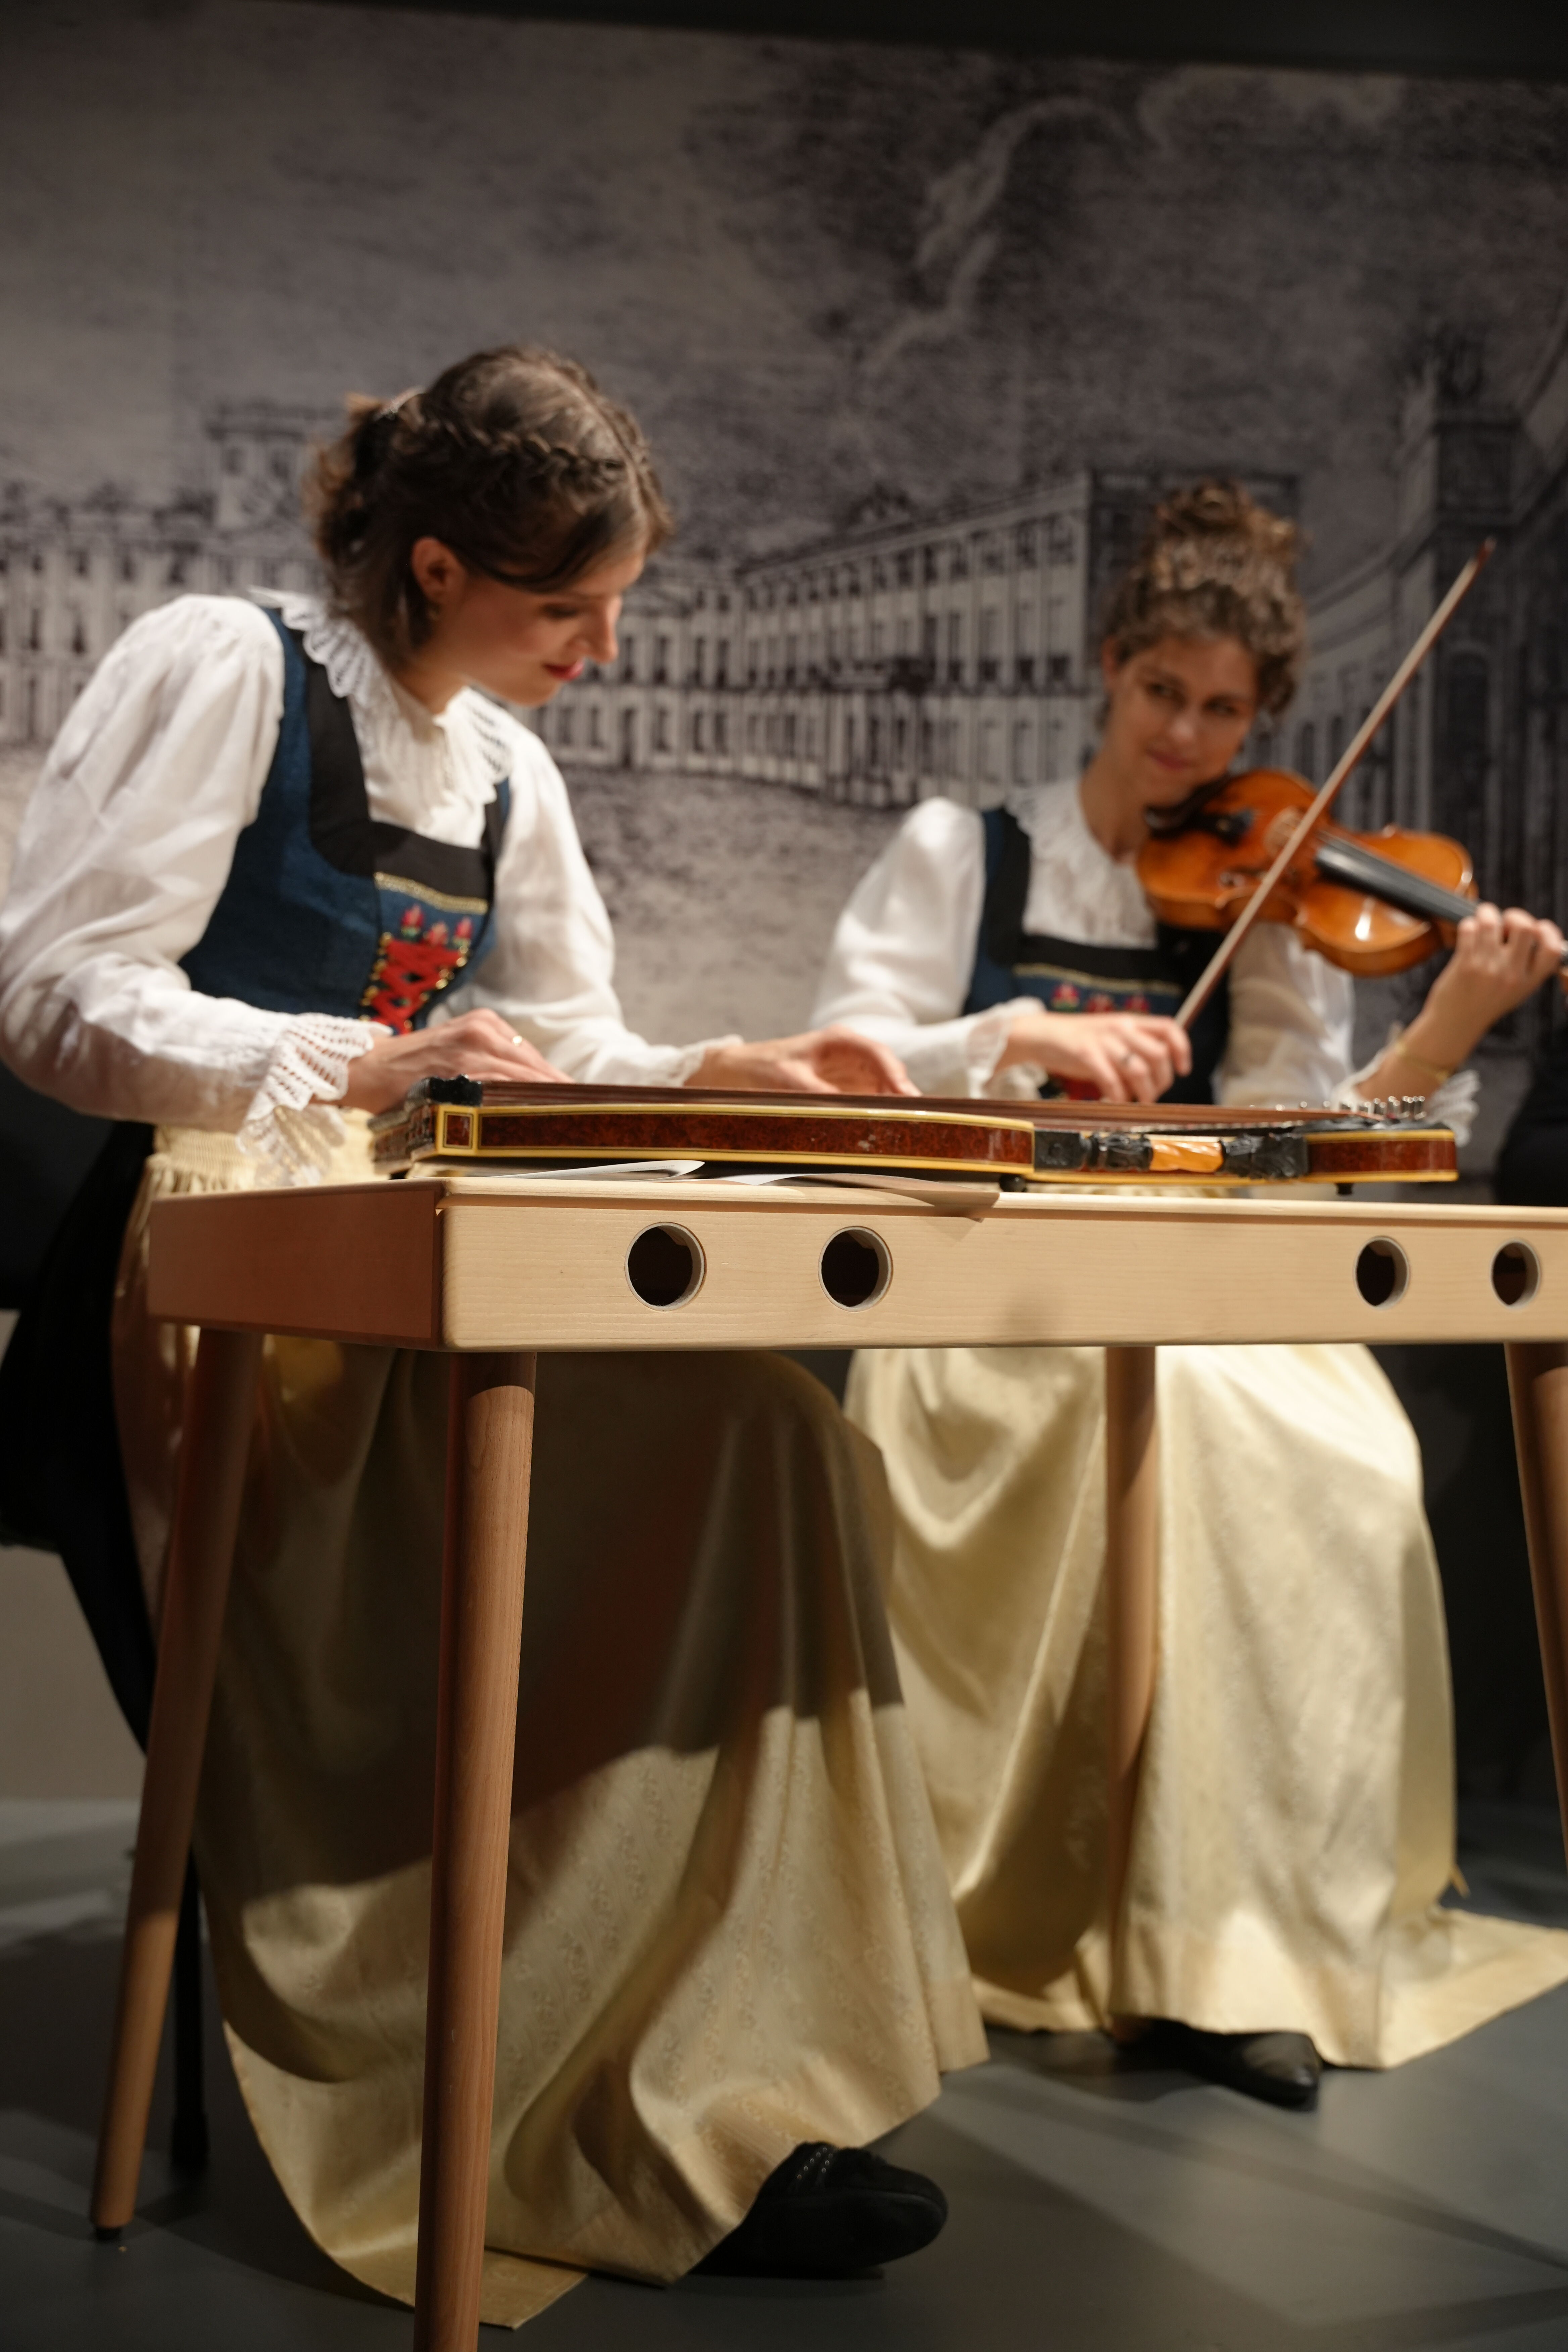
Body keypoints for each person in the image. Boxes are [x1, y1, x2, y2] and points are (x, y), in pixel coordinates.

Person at [0, 347, 986, 2320]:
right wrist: (355, 1061)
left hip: (417, 1267)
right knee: (472, 1542)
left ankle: (708, 2070)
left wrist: (730, 1067)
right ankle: (512, 2079)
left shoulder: (510, 771)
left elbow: (563, 1047)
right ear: (436, 567)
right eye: (567, 610)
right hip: (215, 1276)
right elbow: (54, 988)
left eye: (614, 607)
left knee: (772, 1440)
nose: (600, 652)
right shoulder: (229, 669)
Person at [811, 480, 1568, 2111]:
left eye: (1224, 712)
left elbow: (1316, 1155)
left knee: (1352, 1459)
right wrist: (1016, 1039)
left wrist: (1444, 1029)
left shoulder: (1268, 902)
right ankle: (1154, 1934)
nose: (1186, 738)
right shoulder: (963, 850)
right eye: (1164, 692)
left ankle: (1243, 1939)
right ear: (1109, 668)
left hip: (1197, 1282)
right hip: (988, 1292)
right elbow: (843, 1070)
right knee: (1201, 1428)